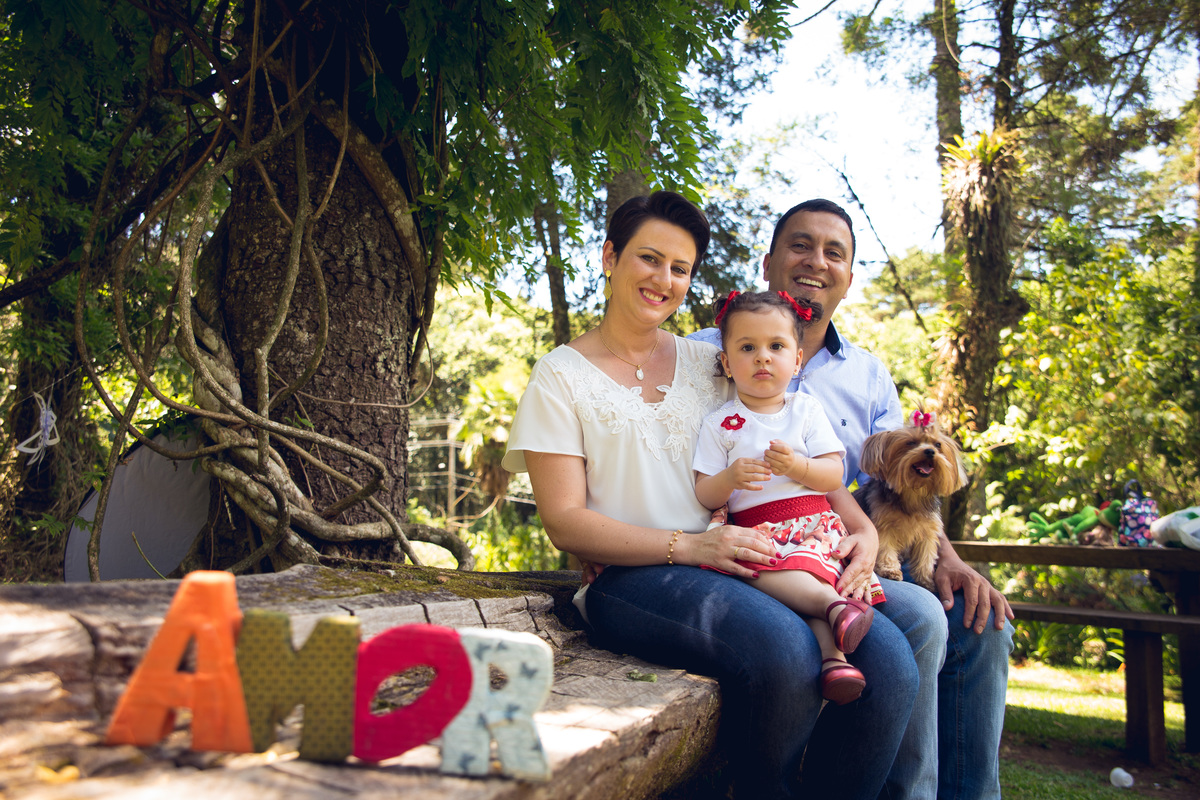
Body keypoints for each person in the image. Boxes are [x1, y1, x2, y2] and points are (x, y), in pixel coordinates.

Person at [502, 191, 918, 800]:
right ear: (609, 257)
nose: (664, 280)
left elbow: (788, 441)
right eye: (649, 259)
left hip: (744, 558)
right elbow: (565, 523)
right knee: (786, 648)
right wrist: (693, 546)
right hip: (635, 577)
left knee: (893, 661)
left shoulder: (711, 360)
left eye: (681, 268)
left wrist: (860, 525)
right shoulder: (560, 375)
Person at [693, 198, 1015, 800]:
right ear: (768, 262)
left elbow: (905, 478)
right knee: (920, 617)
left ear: (848, 277)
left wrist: (949, 559)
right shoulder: (709, 347)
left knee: (983, 625)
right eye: (800, 245)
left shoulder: (866, 374)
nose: (816, 261)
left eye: (833, 252)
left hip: (854, 543)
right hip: (758, 548)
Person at [693, 289, 883, 705]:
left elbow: (834, 472)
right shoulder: (720, 423)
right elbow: (705, 493)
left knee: (806, 575)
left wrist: (798, 467)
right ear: (726, 362)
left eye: (776, 346)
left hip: (813, 525)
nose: (763, 357)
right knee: (780, 574)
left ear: (796, 359)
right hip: (758, 531)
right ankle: (836, 631)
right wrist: (729, 477)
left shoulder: (806, 411)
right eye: (747, 347)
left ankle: (834, 653)